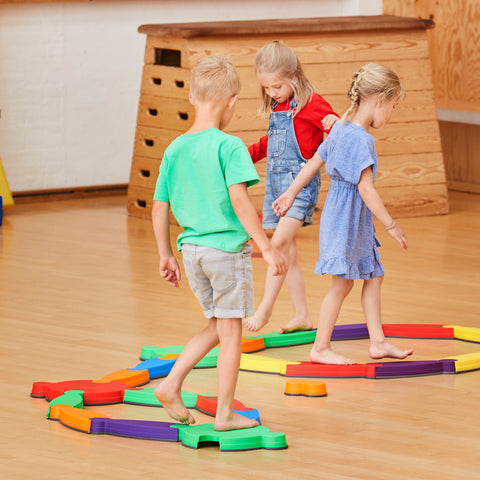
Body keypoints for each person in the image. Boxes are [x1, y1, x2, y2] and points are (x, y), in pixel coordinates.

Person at [151, 55, 287, 430]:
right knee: (231, 335)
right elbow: (240, 201)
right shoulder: (230, 147)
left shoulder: (174, 149)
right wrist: (267, 245)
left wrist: (166, 254)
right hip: (225, 253)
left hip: (191, 252)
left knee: (217, 325)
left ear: (191, 98)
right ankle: (225, 414)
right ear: (232, 100)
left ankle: (171, 384)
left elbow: (159, 207)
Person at [272, 62, 414, 365]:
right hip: (346, 219)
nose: (391, 114)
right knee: (343, 284)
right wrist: (391, 225)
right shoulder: (361, 138)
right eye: (392, 107)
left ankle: (377, 343)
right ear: (379, 99)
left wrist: (291, 192)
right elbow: (365, 189)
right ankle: (320, 347)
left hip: (350, 217)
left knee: (374, 276)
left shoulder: (342, 125)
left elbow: (313, 161)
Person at [242, 41, 339, 334]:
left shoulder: (312, 104)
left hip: (301, 186)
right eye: (267, 88)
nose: (272, 93)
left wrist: (333, 122)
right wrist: (241, 159)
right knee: (290, 255)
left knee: (278, 245)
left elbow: (335, 130)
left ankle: (264, 311)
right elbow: (270, 144)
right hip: (276, 187)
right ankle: (302, 316)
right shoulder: (278, 105)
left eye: (276, 87)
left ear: (294, 77)